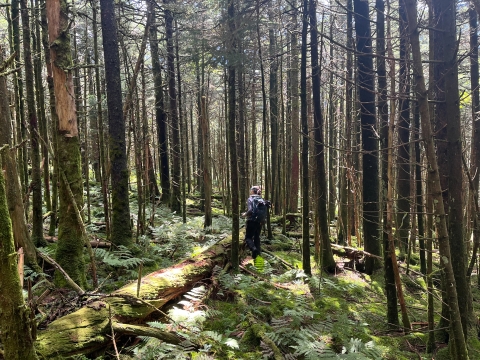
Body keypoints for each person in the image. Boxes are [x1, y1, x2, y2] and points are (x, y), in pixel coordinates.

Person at [241, 186, 263, 260]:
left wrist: (244, 214)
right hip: (259, 221)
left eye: (251, 190)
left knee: (248, 238)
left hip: (251, 221)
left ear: (253, 191)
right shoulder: (261, 199)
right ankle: (257, 255)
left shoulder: (251, 199)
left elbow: (250, 210)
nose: (250, 191)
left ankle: (253, 249)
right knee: (257, 237)